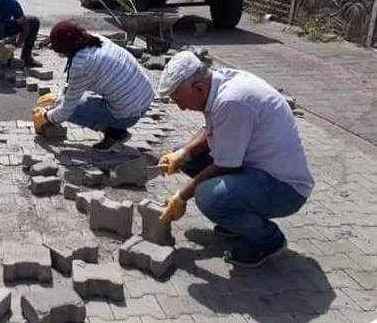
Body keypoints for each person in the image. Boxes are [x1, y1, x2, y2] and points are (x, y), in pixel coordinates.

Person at [156, 51, 315, 268]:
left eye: (179, 101)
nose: (181, 108)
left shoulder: (232, 101)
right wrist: (182, 154)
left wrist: (180, 197)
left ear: (199, 88)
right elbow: (212, 128)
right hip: (254, 169)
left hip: (285, 188)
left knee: (208, 196)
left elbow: (224, 165)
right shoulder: (218, 84)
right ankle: (236, 219)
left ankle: (268, 240)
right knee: (185, 153)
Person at [32, 20, 155, 152]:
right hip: (144, 98)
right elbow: (77, 85)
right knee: (66, 99)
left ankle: (116, 133)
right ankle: (116, 126)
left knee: (65, 105)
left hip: (129, 114)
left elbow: (65, 111)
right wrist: (62, 93)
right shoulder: (96, 39)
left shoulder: (81, 64)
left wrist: (46, 117)